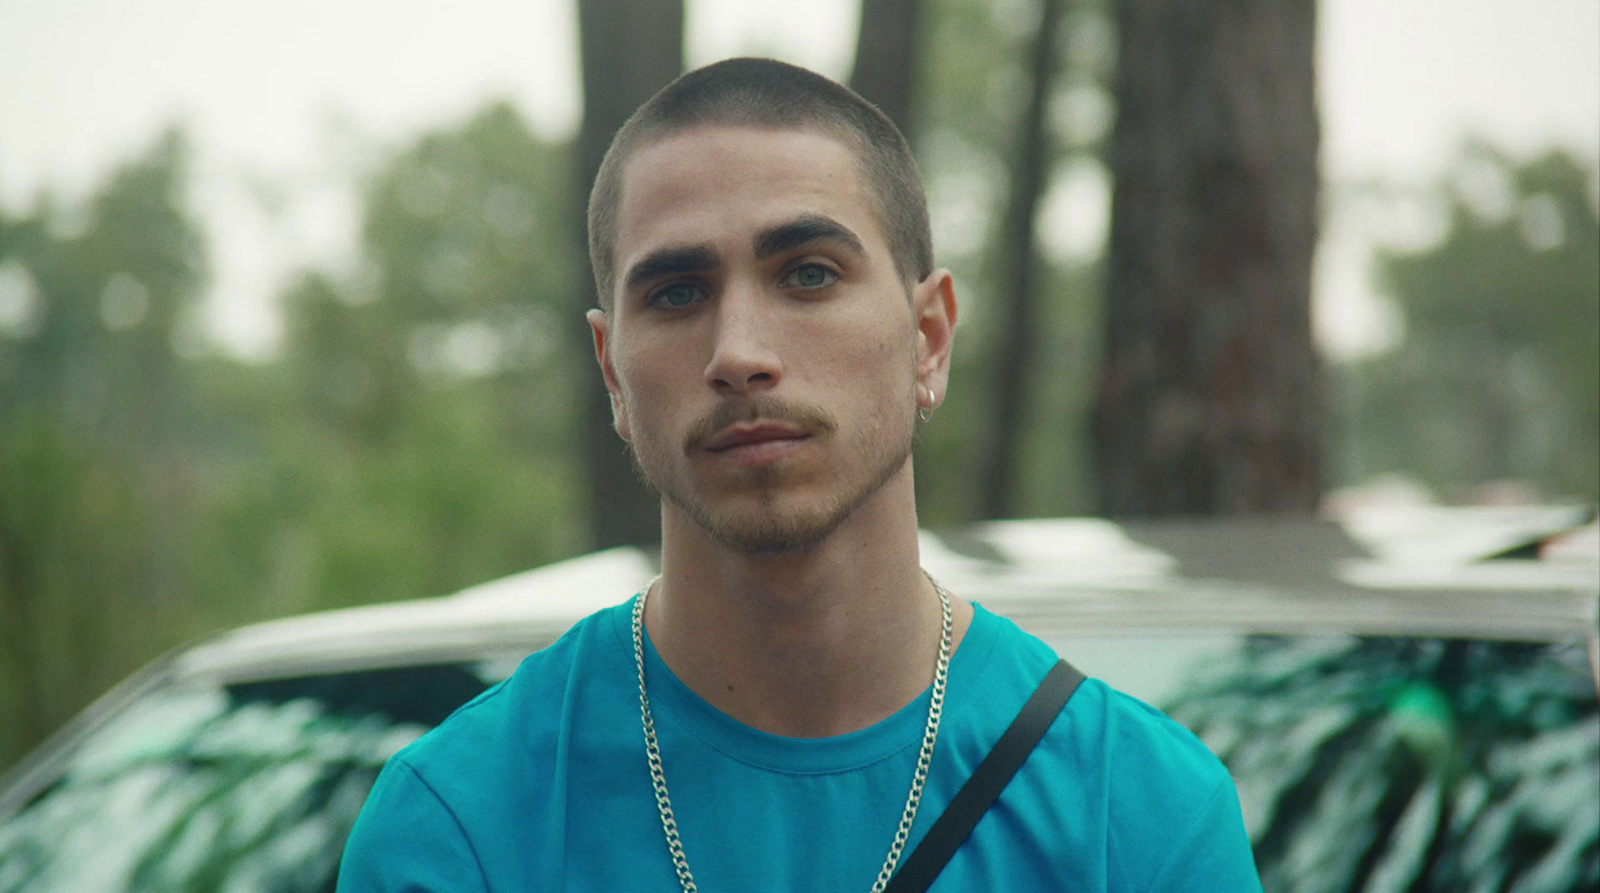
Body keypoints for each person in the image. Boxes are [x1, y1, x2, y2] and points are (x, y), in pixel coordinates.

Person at [338, 57, 1261, 892]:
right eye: (677, 293)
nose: (740, 352)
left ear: (928, 339)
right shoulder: (462, 821)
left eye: (809, 274)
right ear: (613, 370)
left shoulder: (1134, 814)